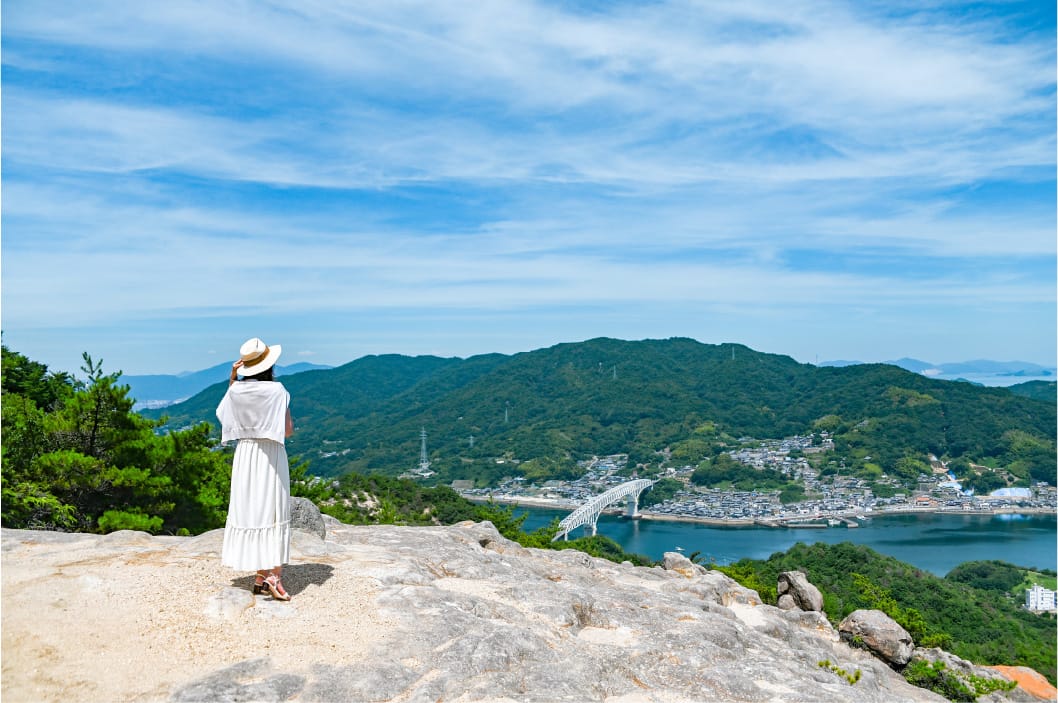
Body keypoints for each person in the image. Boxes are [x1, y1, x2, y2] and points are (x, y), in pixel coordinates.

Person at [215, 337, 295, 601]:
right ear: (269, 365)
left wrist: (232, 378)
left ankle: (260, 577)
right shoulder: (277, 391)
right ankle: (274, 577)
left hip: (246, 454)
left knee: (253, 510)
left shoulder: (234, 390)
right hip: (270, 452)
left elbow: (225, 415)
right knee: (273, 510)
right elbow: (287, 430)